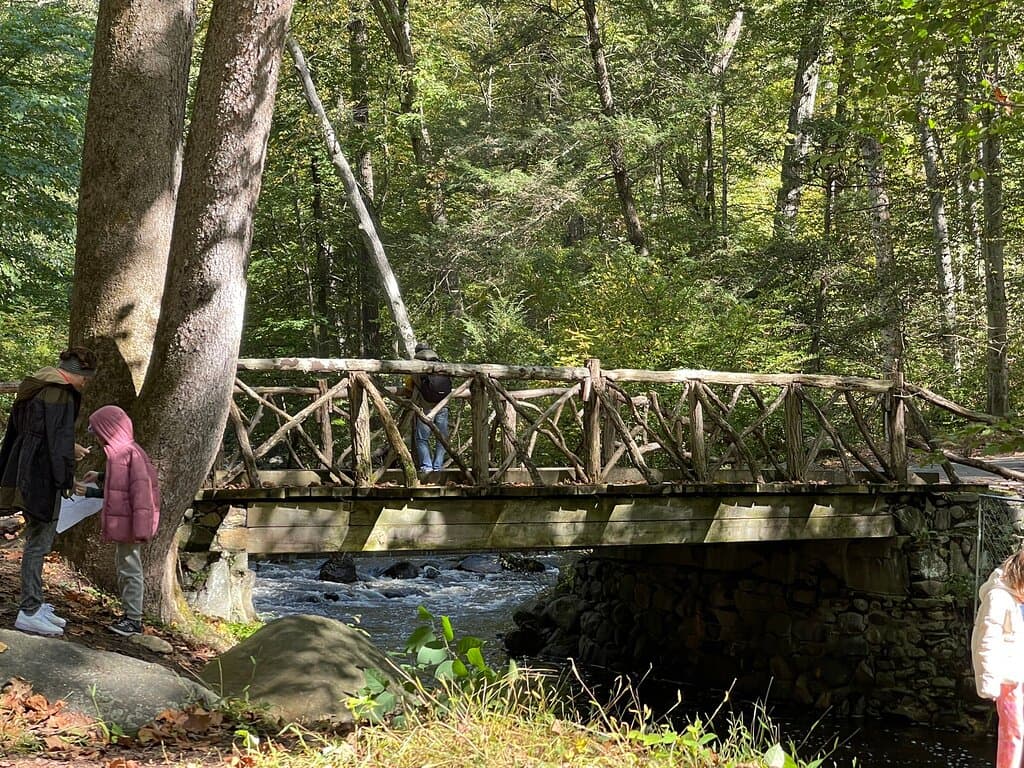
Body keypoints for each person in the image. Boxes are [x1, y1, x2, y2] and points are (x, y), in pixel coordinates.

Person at [0, 347, 97, 636]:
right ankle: (29, 610)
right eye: (85, 379)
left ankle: (36, 603)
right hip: (42, 474)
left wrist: (69, 449)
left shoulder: (35, 386)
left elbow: (33, 432)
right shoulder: (61, 392)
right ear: (77, 374)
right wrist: (66, 478)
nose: (85, 384)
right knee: (39, 542)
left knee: (38, 539)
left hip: (26, 466)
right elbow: (56, 440)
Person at [76, 404, 160, 637]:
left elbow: (141, 494)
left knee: (130, 569)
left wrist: (141, 529)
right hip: (128, 524)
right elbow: (120, 485)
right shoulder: (122, 452)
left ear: (109, 430)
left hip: (132, 525)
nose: (99, 439)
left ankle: (133, 620)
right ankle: (129, 615)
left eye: (100, 432)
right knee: (125, 567)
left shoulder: (127, 453)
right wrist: (101, 476)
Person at [972, 549, 1024, 768]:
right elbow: (986, 640)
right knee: (1014, 733)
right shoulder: (998, 596)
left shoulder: (1020, 597)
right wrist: (988, 683)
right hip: (1009, 679)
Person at [401, 342, 452, 472]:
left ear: (416, 352)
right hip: (443, 405)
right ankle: (438, 466)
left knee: (422, 438)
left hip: (425, 407)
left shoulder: (414, 365)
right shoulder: (441, 363)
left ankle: (427, 467)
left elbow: (408, 387)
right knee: (442, 438)